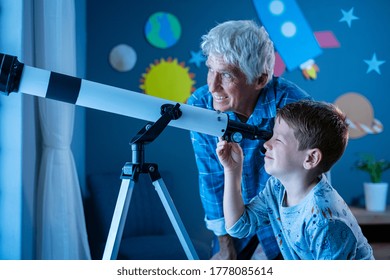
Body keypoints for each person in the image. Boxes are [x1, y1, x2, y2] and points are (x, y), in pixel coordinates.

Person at [187, 19, 311, 260]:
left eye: (226, 75)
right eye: (211, 69)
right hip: (233, 222)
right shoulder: (201, 105)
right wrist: (226, 248)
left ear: (261, 80)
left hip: (288, 223)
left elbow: (307, 187)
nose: (212, 86)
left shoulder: (296, 107)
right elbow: (211, 178)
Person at [217, 100, 374, 260]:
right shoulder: (277, 188)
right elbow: (239, 227)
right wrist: (232, 170)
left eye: (278, 140)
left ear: (311, 158)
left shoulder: (324, 222)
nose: (266, 144)